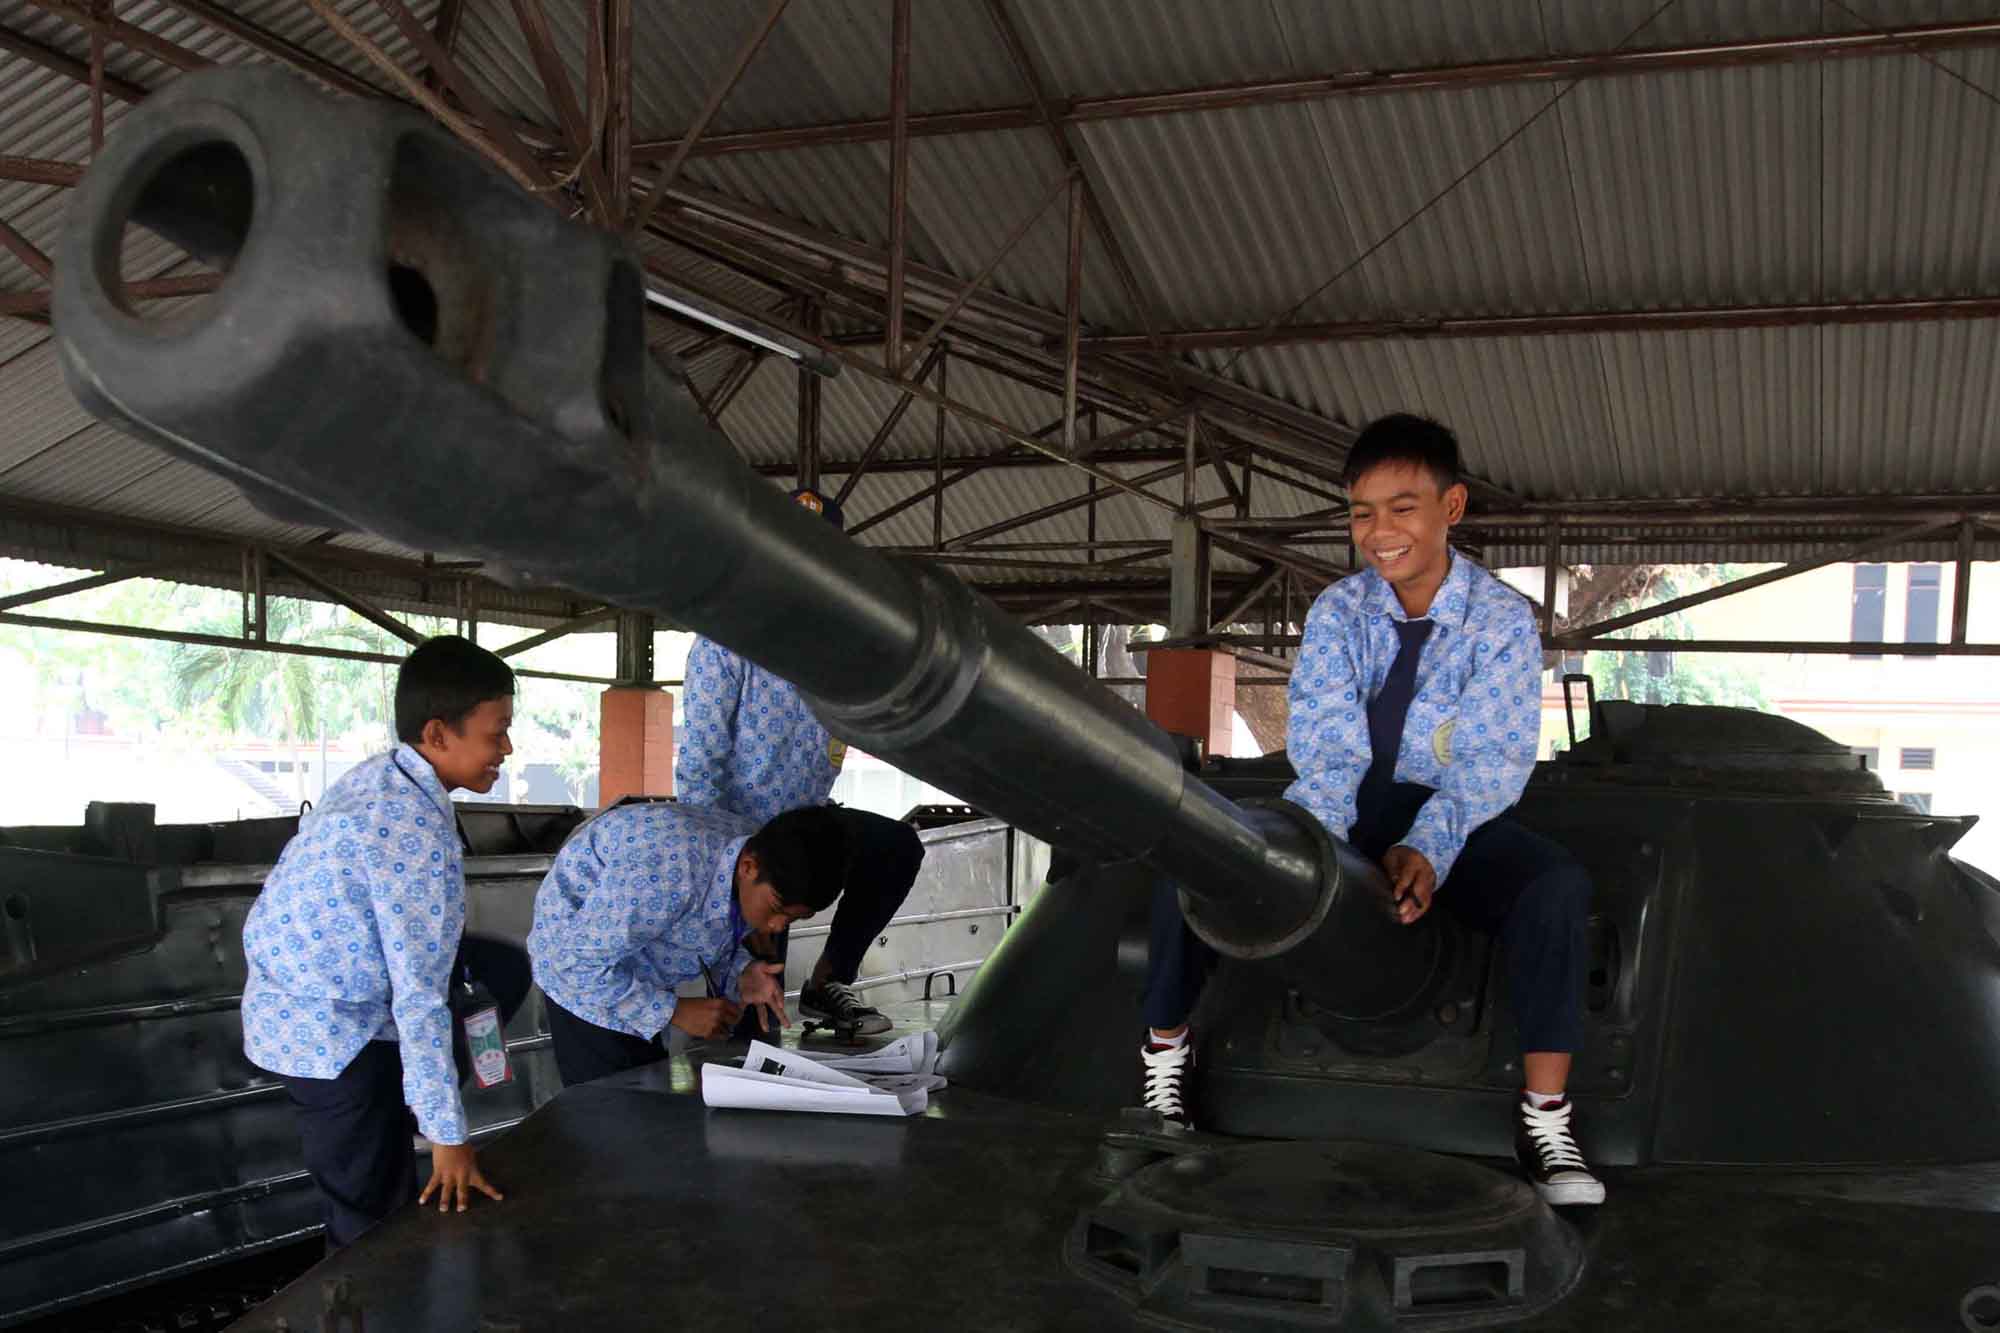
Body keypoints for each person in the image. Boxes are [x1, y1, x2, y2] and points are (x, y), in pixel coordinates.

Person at [1139, 413, 1604, 1208]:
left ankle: (1545, 1117)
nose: (1379, 531)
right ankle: (1162, 1062)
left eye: (1402, 506)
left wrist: (1428, 845)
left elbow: (1491, 761)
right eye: (1361, 511)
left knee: (1554, 887)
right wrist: (1316, 850)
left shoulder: (1499, 622)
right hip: (1344, 806)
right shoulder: (1339, 612)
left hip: (1453, 815)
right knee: (1208, 849)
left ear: (1451, 507)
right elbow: (1326, 749)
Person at [240, 635, 517, 1248]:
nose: (507, 747)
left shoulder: (392, 778)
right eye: (496, 731)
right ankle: (367, 1300)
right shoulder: (406, 826)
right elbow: (417, 997)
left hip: (315, 1003)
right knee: (372, 1217)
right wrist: (450, 1138)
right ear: (439, 733)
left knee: (501, 969)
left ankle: (416, 1106)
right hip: (329, 1031)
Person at [674, 486, 926, 1038]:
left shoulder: (835, 647)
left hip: (810, 822)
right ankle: (743, 1069)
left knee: (894, 848)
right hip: (748, 841)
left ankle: (828, 982)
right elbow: (699, 759)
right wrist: (722, 867)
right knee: (759, 1015)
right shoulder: (727, 636)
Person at [526, 802, 848, 1085]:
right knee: (611, 1112)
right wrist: (673, 1011)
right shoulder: (669, 871)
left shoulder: (752, 853)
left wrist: (742, 970)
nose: (777, 926)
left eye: (794, 919)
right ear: (749, 867)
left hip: (629, 969)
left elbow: (705, 924)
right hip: (582, 978)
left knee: (643, 1098)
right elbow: (574, 962)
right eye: (777, 910)